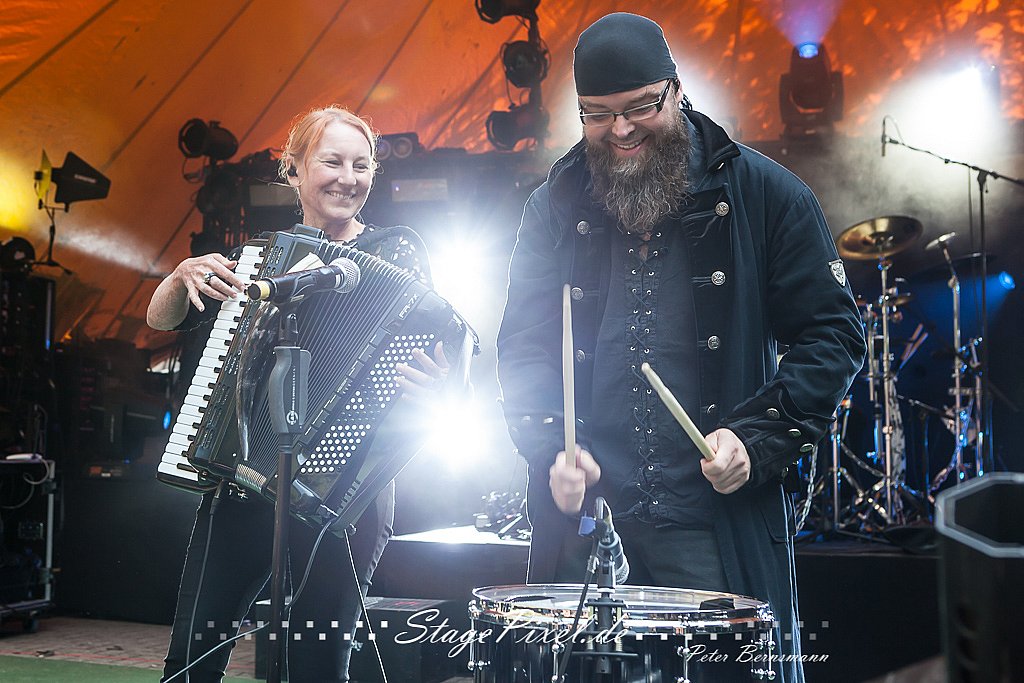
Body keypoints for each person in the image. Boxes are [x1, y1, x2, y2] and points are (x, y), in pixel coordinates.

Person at [496, 13, 865, 682]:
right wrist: (550, 442)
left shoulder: (767, 194)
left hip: (710, 522)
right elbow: (523, 347)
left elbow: (833, 335)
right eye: (597, 115)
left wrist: (755, 439)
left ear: (676, 90)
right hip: (592, 525)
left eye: (640, 107)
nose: (621, 130)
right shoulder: (553, 203)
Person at [149, 106, 447, 682]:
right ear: (294, 169)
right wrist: (179, 276)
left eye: (362, 165)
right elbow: (164, 320)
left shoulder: (398, 252)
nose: (348, 177)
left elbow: (439, 351)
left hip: (345, 487)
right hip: (245, 476)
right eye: (331, 161)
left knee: (317, 663)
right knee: (193, 653)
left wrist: (436, 386)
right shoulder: (265, 261)